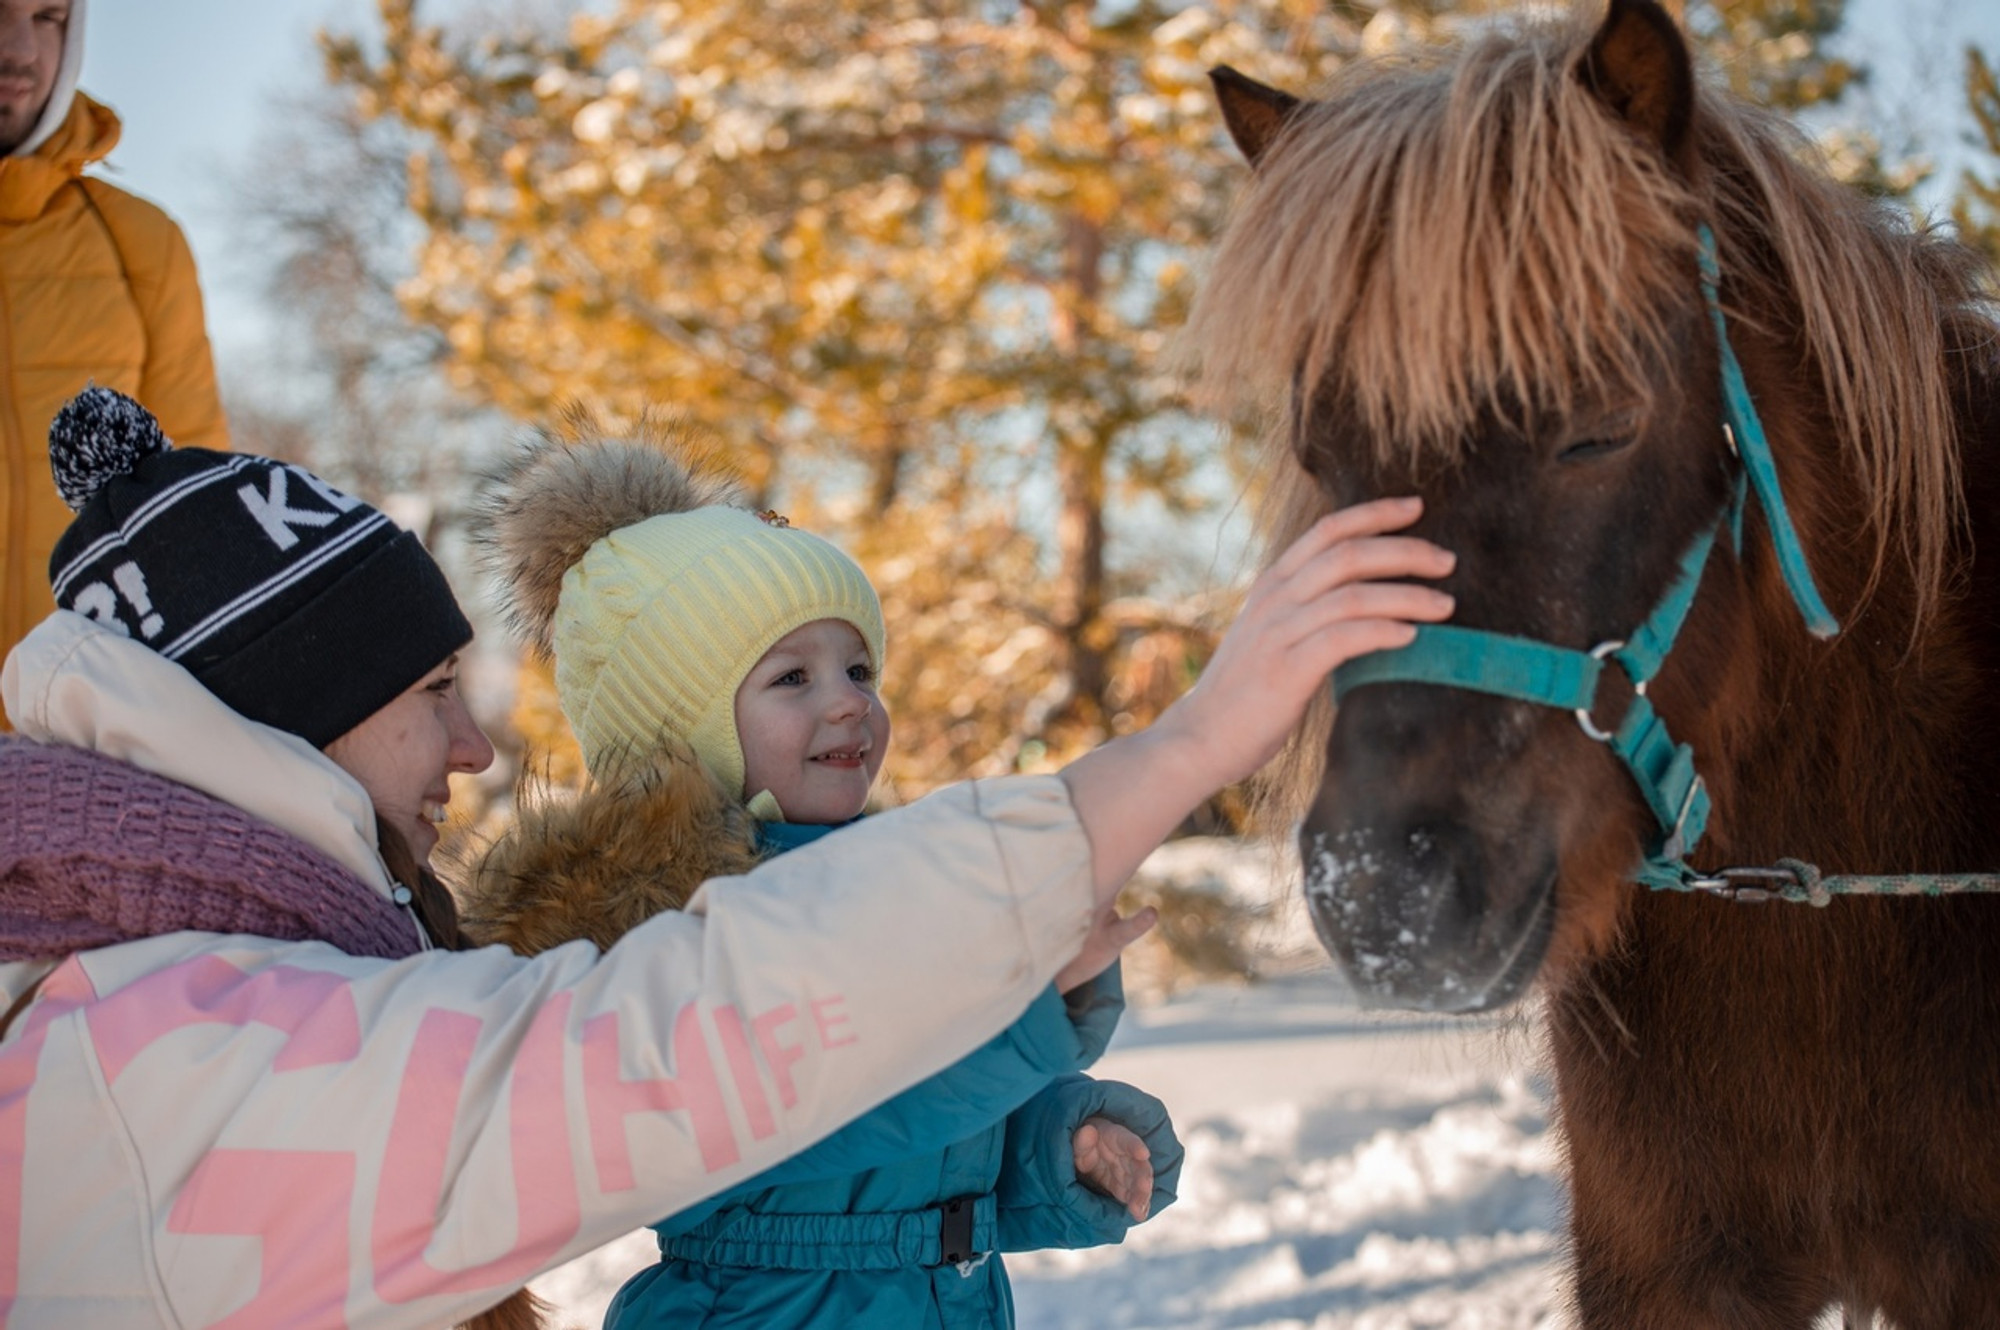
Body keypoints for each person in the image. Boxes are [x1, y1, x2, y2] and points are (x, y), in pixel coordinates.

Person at [0, 387, 1456, 1327]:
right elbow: (726, 1076)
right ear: (296, 713)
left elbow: (893, 1147)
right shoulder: (162, 1051)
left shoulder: (183, 972)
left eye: (856, 665)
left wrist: (1052, 1157)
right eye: (432, 692)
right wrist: (1163, 778)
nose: (479, 750)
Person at [464, 421, 1188, 1327]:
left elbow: (941, 1144)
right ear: (682, 729)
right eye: (791, 679)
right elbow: (811, 1115)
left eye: (857, 667)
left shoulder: (897, 882)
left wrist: (1062, 1140)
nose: (850, 700)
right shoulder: (669, 924)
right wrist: (1032, 1019)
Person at [0, 0, 228, 682]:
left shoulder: (142, 244)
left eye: (49, 17)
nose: (22, 49)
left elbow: (198, 515)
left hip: (85, 733)